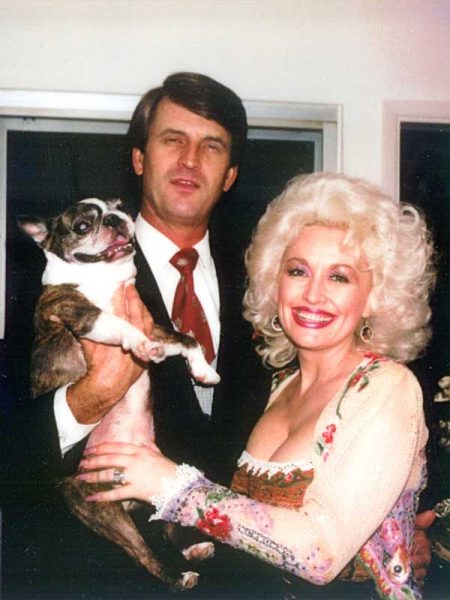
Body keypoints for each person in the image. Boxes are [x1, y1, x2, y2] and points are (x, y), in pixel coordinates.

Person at [77, 172, 436, 599]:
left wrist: (171, 485)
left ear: (375, 296)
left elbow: (321, 555)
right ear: (274, 279)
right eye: (298, 271)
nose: (313, 294)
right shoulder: (277, 386)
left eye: (339, 277)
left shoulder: (387, 387)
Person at [3, 72, 272, 599]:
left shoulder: (268, 275)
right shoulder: (56, 276)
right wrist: (89, 398)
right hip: (100, 580)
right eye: (173, 139)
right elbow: (9, 441)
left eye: (211, 146)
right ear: (139, 159)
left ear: (231, 175)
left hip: (239, 579)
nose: (190, 160)